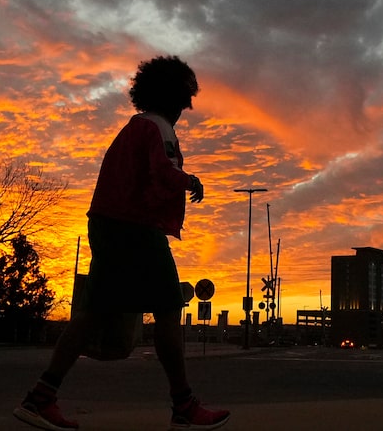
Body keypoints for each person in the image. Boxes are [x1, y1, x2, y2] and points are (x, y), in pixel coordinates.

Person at [14, 56, 230, 431]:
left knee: (92, 312)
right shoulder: (157, 127)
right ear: (174, 97)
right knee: (167, 309)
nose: (185, 109)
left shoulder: (132, 128)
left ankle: (40, 397)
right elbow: (163, 170)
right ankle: (184, 405)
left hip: (108, 226)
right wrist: (191, 181)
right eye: (184, 101)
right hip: (136, 230)